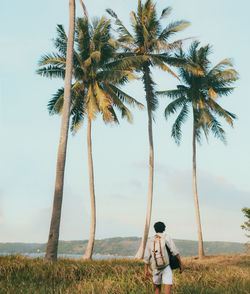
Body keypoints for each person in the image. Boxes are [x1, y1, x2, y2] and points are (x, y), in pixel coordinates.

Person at [144, 221, 183, 294]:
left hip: (155, 267)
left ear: (155, 229)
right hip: (166, 266)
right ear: (164, 229)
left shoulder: (151, 240)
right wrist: (180, 264)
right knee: (167, 286)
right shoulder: (166, 237)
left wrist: (146, 270)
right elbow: (175, 251)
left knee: (157, 288)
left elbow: (146, 257)